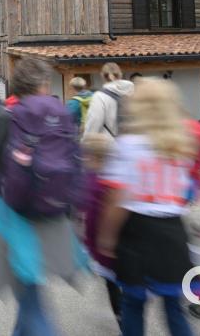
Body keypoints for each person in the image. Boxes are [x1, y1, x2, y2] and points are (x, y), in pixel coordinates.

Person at [0, 58, 85, 334]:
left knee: (30, 295)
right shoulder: (61, 114)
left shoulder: (6, 116)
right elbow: (75, 161)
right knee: (30, 290)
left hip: (14, 213)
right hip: (54, 210)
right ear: (44, 84)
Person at [97, 78, 196, 336]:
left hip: (138, 231)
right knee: (174, 307)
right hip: (173, 231)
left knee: (133, 303)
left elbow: (117, 198)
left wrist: (107, 236)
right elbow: (186, 193)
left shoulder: (128, 145)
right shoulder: (181, 145)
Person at [82, 132, 123, 330]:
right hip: (118, 241)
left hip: (104, 242)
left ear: (93, 157)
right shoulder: (116, 175)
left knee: (112, 282)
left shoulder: (92, 180)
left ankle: (122, 318)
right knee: (115, 281)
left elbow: (88, 211)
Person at [82, 62, 135, 141]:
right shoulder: (134, 93)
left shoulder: (99, 96)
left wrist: (86, 141)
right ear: (120, 74)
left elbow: (94, 122)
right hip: (131, 143)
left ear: (102, 75)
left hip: (109, 143)